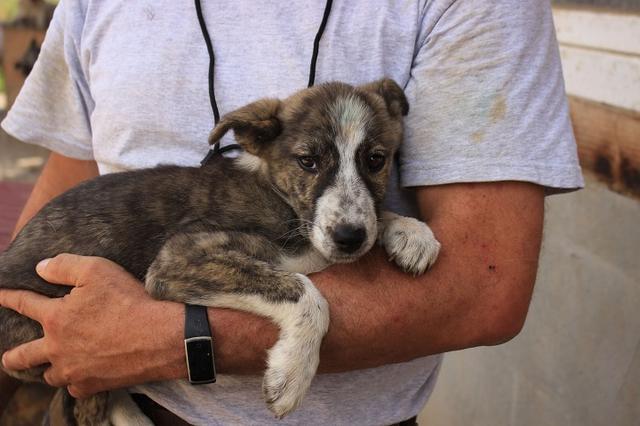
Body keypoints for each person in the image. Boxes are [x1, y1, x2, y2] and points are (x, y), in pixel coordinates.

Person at [0, 0, 583, 424]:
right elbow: (65, 188)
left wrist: (167, 340)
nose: (352, 202)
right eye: (311, 162)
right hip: (92, 379)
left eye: (377, 160)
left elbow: (486, 287)